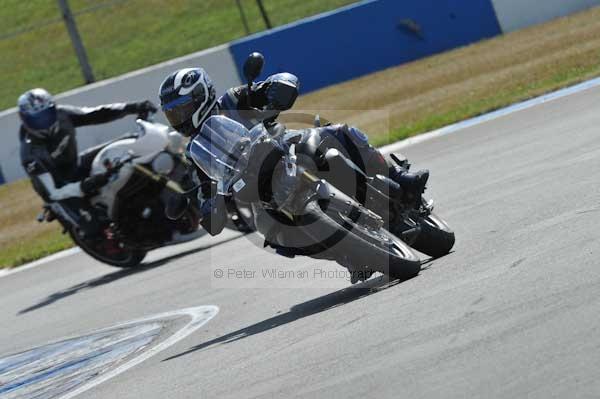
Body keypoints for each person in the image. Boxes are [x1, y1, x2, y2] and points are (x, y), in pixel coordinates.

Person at [158, 67, 428, 236]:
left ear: (200, 97)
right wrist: (206, 206)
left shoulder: (232, 99)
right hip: (257, 189)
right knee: (274, 233)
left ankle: (402, 181)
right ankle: (348, 255)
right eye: (172, 114)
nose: (178, 118)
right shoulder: (195, 152)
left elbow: (267, 88)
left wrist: (278, 87)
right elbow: (207, 187)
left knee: (338, 134)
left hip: (286, 148)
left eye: (181, 109)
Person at [18, 88, 157, 234]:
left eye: (46, 114)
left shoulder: (62, 114)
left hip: (76, 165)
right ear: (25, 119)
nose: (43, 122)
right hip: (60, 190)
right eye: (37, 118)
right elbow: (53, 192)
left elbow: (96, 113)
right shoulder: (30, 154)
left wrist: (133, 107)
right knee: (95, 227)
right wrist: (87, 184)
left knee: (131, 142)